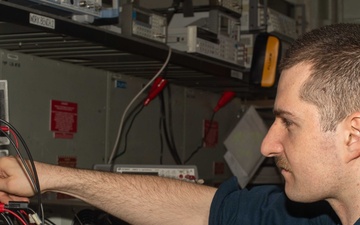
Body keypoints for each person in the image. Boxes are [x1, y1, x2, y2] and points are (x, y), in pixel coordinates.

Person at [0, 22, 359, 225]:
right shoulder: (312, 216)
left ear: (353, 136)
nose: (267, 146)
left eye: (288, 123)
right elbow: (198, 208)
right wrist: (46, 177)